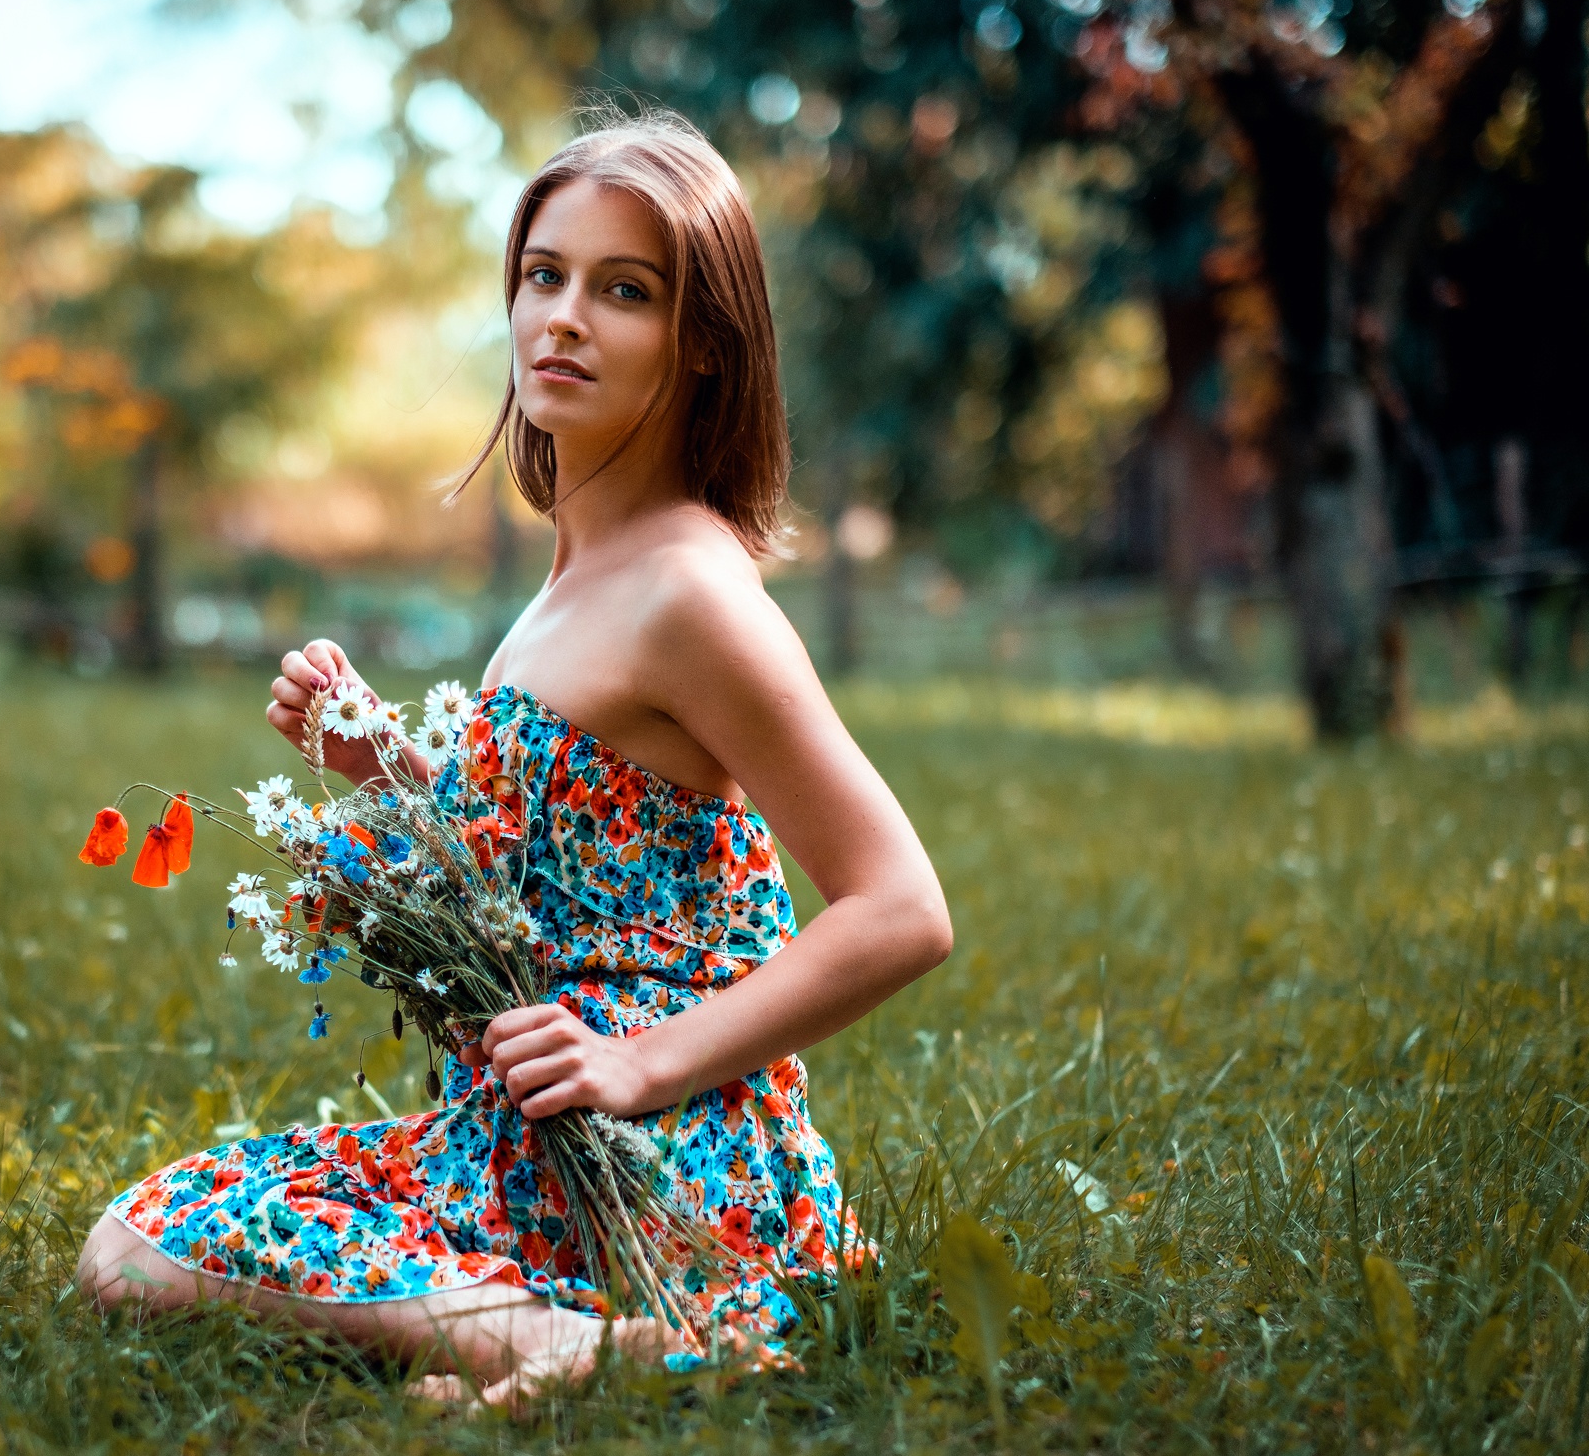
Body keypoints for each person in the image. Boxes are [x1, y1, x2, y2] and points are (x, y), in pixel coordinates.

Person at [73, 107, 952, 1409]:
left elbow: (902, 910)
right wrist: (386, 767)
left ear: (705, 346)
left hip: (662, 1147)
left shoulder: (691, 596)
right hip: (539, 1129)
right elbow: (557, 863)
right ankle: (562, 1332)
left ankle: (570, 1342)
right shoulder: (573, 582)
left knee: (146, 1249)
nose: (565, 319)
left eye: (625, 292)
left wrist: (643, 1064)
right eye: (545, 276)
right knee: (150, 1234)